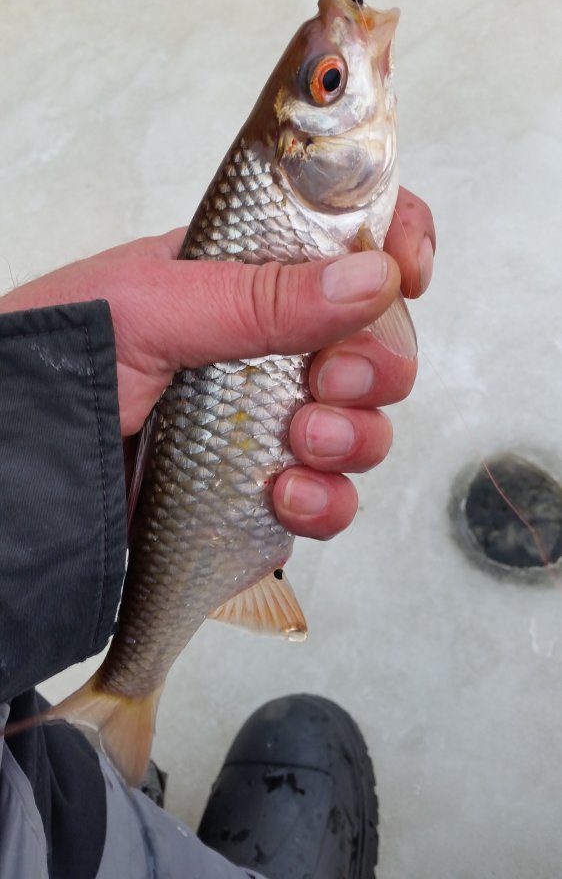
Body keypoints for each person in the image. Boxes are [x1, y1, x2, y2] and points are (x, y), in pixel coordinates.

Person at [0, 188, 434, 878]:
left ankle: (101, 787)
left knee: (66, 790)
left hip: (33, 794)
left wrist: (39, 409)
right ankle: (115, 800)